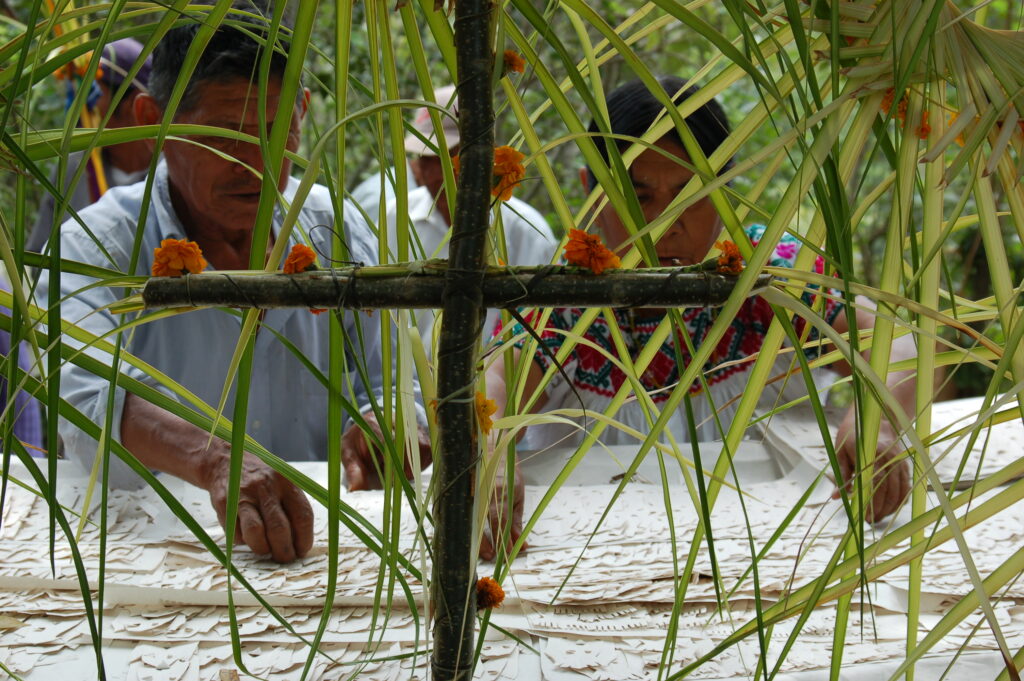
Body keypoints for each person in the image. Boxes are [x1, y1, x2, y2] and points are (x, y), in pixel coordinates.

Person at [35, 2, 432, 563]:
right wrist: (215, 457)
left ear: (303, 111)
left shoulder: (334, 231)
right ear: (155, 122)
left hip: (326, 552)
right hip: (163, 554)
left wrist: (385, 419)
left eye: (277, 131)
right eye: (222, 136)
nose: (256, 163)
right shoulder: (97, 247)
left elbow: (390, 379)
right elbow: (85, 396)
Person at [488, 77, 916, 523]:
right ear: (590, 188)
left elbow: (895, 343)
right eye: (637, 196)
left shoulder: (765, 282)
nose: (663, 223)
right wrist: (491, 456)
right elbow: (493, 386)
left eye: (690, 195)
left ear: (727, 187)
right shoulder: (565, 303)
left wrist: (877, 423)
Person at [384, 84, 558, 350]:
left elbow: (538, 334)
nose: (436, 174)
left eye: (450, 157)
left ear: (484, 155)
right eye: (427, 158)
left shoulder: (526, 231)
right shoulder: (396, 217)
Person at [30, 38, 154, 253]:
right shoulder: (73, 170)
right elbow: (37, 259)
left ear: (134, 103)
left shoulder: (173, 175)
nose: (81, 104)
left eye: (93, 91)